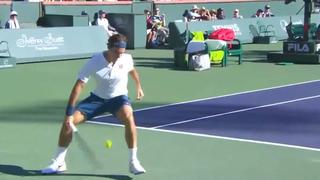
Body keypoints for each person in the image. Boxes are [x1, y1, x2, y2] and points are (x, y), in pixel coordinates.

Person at [41, 34, 146, 175]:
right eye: (116, 52)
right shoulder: (95, 60)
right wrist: (68, 114)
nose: (119, 56)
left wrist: (138, 86)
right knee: (68, 123)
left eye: (122, 53)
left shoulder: (126, 58)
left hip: (118, 98)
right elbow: (79, 86)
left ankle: (133, 161)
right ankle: (59, 162)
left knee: (129, 117)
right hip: (97, 100)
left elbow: (132, 71)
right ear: (109, 48)